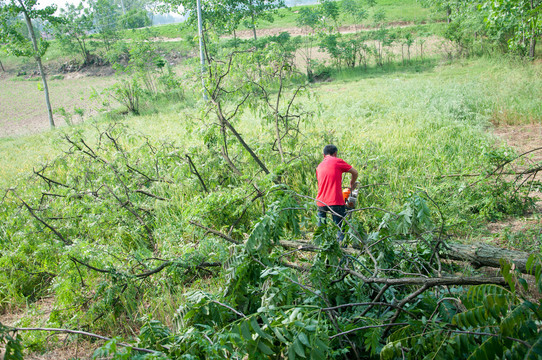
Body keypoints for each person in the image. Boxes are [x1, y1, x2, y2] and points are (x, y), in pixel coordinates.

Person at [316, 144, 358, 242]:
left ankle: (321, 250)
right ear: (335, 153)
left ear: (324, 155)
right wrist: (352, 184)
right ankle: (342, 252)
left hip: (321, 201)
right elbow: (355, 172)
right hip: (335, 200)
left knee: (321, 230)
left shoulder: (319, 166)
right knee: (340, 228)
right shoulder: (337, 161)